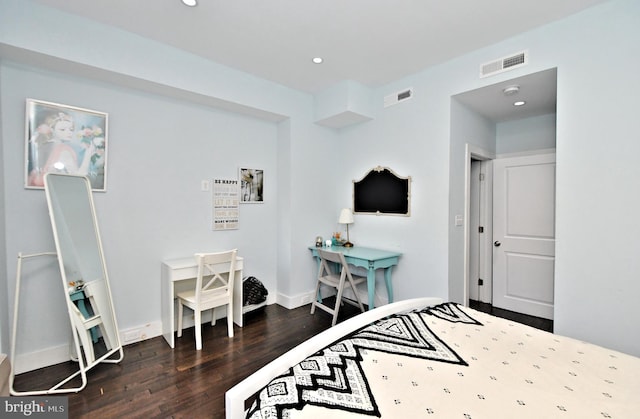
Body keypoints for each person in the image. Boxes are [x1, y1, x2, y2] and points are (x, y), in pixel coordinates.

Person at [27, 112, 94, 186]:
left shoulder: (44, 146)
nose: (69, 133)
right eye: (62, 129)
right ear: (52, 130)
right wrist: (88, 155)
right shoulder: (63, 150)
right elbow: (79, 179)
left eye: (71, 129)